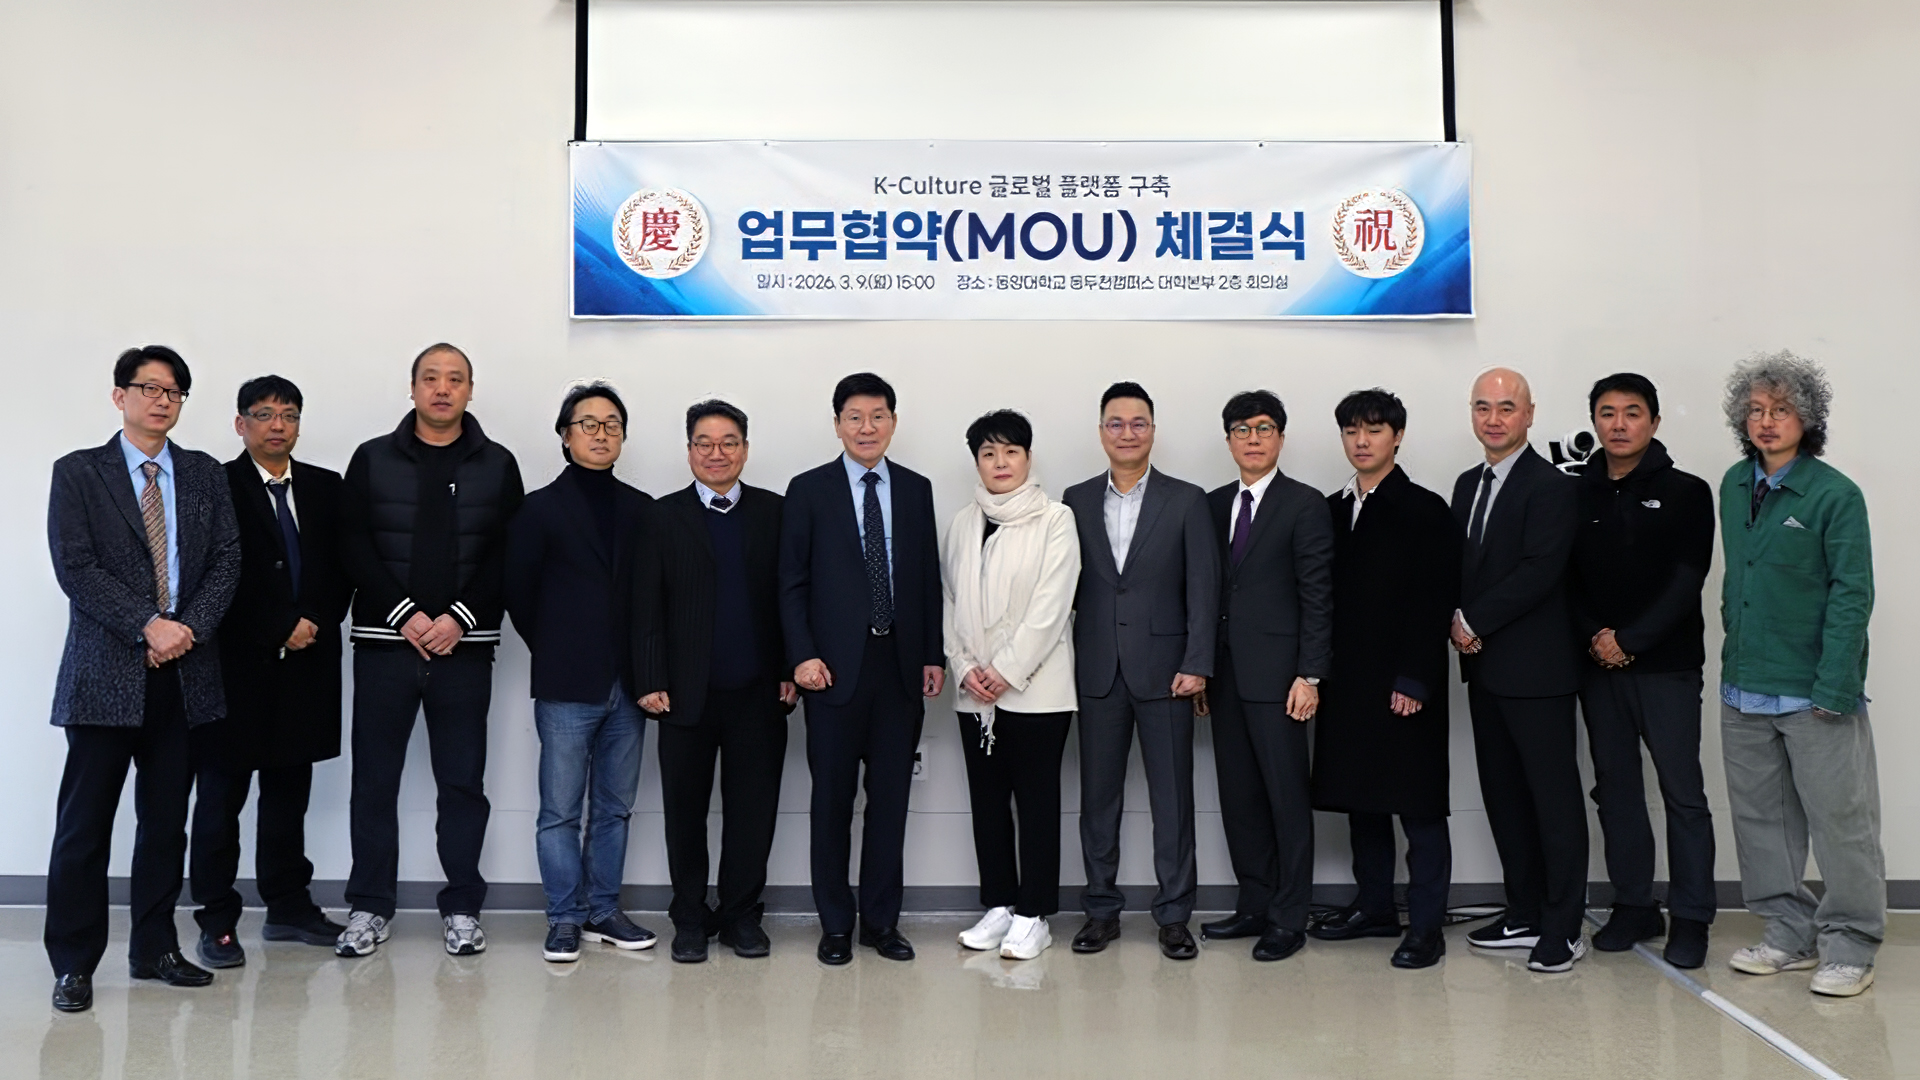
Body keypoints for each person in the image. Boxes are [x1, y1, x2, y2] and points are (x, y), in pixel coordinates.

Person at [45, 346, 241, 1012]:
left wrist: (185, 631)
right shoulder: (79, 472)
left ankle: (154, 948)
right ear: (119, 396)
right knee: (84, 828)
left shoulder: (203, 473)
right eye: (149, 388)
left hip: (185, 674)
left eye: (173, 391)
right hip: (104, 675)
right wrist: (148, 626)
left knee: (165, 824)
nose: (161, 400)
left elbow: (226, 562)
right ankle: (73, 964)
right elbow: (76, 567)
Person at [336, 343, 524, 958]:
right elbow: (354, 544)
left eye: (455, 379)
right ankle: (369, 907)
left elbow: (508, 552)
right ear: (412, 388)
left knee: (462, 784)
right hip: (384, 645)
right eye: (431, 378)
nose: (443, 389)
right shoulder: (371, 458)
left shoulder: (498, 464)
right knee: (374, 782)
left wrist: (460, 620)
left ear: (470, 390)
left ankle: (463, 908)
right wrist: (404, 615)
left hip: (463, 651)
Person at [1717, 351, 1880, 998]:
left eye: (1781, 410)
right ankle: (1789, 933)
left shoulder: (1836, 494)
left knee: (1842, 823)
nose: (1766, 421)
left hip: (1815, 691)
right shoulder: (1735, 483)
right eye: (1755, 410)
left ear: (1807, 419)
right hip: (1744, 687)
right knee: (1761, 822)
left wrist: (1836, 684)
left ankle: (1852, 945)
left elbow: (1852, 594)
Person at [780, 373, 945, 965]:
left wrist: (932, 653)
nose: (867, 427)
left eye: (878, 416)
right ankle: (834, 924)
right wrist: (801, 655)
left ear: (893, 422)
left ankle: (881, 922)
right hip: (830, 673)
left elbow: (926, 578)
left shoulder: (917, 489)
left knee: (890, 803)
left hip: (898, 668)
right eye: (854, 417)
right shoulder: (808, 490)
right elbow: (790, 583)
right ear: (837, 424)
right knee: (831, 802)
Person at [190, 376, 352, 971]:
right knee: (220, 801)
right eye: (263, 414)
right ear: (241, 424)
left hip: (307, 665)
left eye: (288, 414)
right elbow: (209, 574)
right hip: (234, 667)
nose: (277, 425)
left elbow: (343, 567)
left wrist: (313, 621)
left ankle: (287, 906)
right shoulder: (215, 486)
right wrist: (278, 625)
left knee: (289, 797)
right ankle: (216, 918)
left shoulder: (326, 487)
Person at [1063, 382, 1219, 961]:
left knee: (1172, 802)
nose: (1127, 433)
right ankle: (1100, 911)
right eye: (1116, 423)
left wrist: (1197, 663)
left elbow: (1203, 586)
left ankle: (1174, 916)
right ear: (1101, 431)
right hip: (1097, 671)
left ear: (1153, 430)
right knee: (1097, 801)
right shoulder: (1075, 500)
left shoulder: (1187, 499)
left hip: (1168, 675)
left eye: (1138, 423)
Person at [1567, 373, 1717, 970]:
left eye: (1632, 413)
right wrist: (1596, 639)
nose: (1619, 424)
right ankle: (1634, 905)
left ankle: (1692, 916)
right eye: (1607, 413)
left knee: (1683, 794)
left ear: (1654, 421)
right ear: (1594, 422)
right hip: (1597, 667)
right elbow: (1567, 580)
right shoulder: (1575, 492)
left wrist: (1629, 641)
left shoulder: (1687, 491)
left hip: (1667, 668)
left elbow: (1687, 579)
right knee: (1617, 790)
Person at [504, 382, 657, 964]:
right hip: (566, 682)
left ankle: (603, 911)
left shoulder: (643, 509)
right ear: (565, 436)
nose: (601, 434)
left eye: (612, 424)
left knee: (614, 808)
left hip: (631, 685)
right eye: (588, 424)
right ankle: (564, 917)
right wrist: (555, 647)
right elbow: (519, 592)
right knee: (561, 811)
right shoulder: (538, 508)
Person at [638, 399, 796, 964]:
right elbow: (645, 604)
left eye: (729, 442)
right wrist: (650, 677)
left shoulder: (776, 513)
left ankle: (741, 916)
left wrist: (790, 668)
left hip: (759, 692)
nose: (716, 453)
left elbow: (791, 598)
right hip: (683, 696)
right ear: (688, 452)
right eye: (704, 443)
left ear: (745, 450)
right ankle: (689, 917)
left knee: (753, 812)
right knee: (684, 813)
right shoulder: (661, 516)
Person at [1308, 388, 1460, 970]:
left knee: (1418, 807)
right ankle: (1373, 907)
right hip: (1348, 682)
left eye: (1374, 429)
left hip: (1405, 683)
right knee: (1361, 800)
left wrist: (1415, 679)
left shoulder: (1424, 509)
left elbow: (1434, 599)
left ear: (1397, 436)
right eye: (1352, 431)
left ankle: (1425, 926)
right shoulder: (1331, 509)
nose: (1362, 441)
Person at [1449, 367, 1588, 973]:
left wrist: (1470, 620)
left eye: (1507, 407)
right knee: (1504, 797)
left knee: (1553, 803)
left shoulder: (1552, 486)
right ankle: (1524, 910)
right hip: (1484, 671)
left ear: (1529, 415)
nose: (1494, 418)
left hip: (1538, 674)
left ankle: (1563, 926)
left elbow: (1540, 570)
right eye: (1483, 407)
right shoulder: (1466, 485)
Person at [1198, 391, 1333, 963]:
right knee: (1239, 797)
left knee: (1285, 799)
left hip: (1281, 680)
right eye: (1241, 429)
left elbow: (1318, 595)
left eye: (1263, 428)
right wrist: (1201, 669)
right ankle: (1254, 903)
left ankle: (1288, 916)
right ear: (1228, 439)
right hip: (1225, 677)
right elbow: (1204, 591)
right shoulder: (1211, 504)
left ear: (1280, 437)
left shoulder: (1304, 504)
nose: (1252, 439)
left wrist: (1310, 675)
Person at [942, 410, 1080, 962]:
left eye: (1011, 452)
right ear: (976, 462)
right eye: (989, 453)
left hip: (1036, 690)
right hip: (974, 692)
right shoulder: (962, 523)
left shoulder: (1056, 519)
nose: (1000, 463)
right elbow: (950, 601)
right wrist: (964, 668)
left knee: (1037, 803)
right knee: (987, 802)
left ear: (1028, 457)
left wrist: (1004, 671)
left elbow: (1052, 605)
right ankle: (999, 905)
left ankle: (1033, 914)